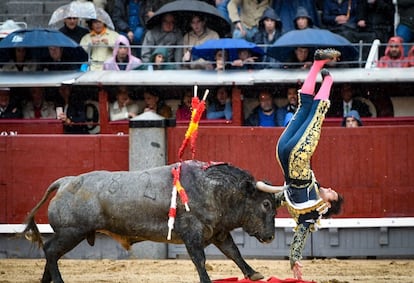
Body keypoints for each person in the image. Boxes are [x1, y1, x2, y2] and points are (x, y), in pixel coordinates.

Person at [257, 49, 344, 280]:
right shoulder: (306, 200)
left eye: (333, 195)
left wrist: (295, 259)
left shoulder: (311, 214)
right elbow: (278, 199)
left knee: (316, 112)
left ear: (327, 206)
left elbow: (299, 235)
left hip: (295, 156)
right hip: (284, 155)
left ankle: (328, 78)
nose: (331, 190)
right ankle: (317, 67)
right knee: (305, 108)